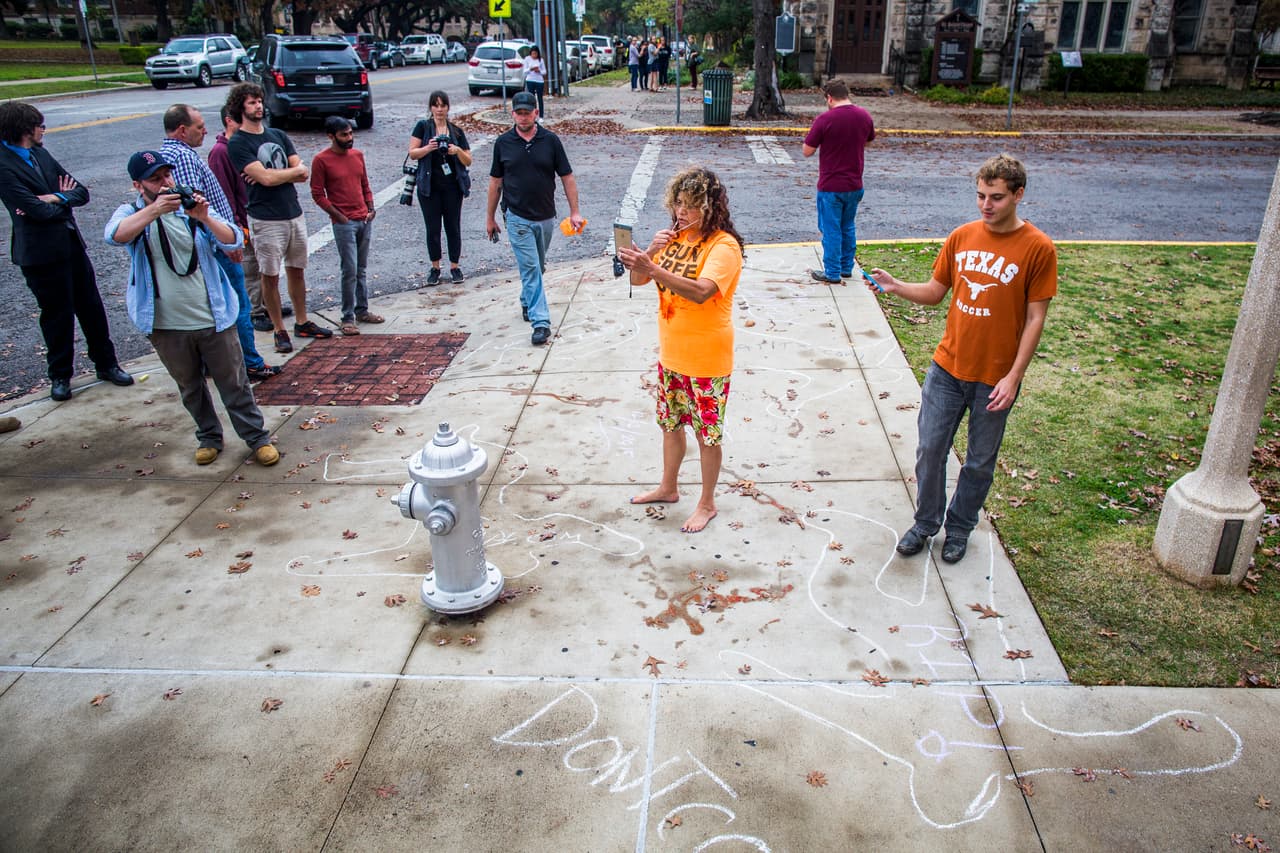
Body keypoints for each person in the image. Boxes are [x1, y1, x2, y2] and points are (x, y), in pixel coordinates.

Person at [866, 154, 1057, 564]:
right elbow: (937, 292)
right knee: (930, 450)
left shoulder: (1038, 248)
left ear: (1018, 195)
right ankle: (925, 523)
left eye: (997, 198)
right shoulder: (962, 236)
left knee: (980, 462)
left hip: (996, 377)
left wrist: (1014, 376)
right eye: (981, 196)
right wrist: (896, 286)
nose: (986, 205)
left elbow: (1035, 318)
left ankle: (960, 528)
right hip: (948, 368)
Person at [105, 150, 278, 468]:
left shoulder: (190, 208)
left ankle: (257, 438)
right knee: (189, 386)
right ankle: (209, 437)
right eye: (155, 179)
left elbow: (233, 241)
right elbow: (114, 236)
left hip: (212, 315)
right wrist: (154, 210)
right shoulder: (131, 212)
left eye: (166, 176)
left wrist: (204, 217)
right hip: (166, 322)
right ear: (137, 185)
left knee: (234, 382)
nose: (165, 183)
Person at [619, 166, 744, 534]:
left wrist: (653, 269)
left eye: (690, 206)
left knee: (707, 435)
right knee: (670, 426)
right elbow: (639, 280)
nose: (681, 212)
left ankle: (707, 503)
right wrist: (651, 254)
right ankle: (668, 487)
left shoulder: (724, 246)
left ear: (709, 207)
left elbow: (703, 291)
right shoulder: (672, 238)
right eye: (677, 204)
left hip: (707, 359)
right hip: (671, 355)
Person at [0, 101, 132, 402]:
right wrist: (57, 202)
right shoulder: (4, 165)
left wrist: (55, 197)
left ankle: (107, 364)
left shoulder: (40, 154)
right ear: (24, 129)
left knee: (92, 308)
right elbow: (36, 211)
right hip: (40, 255)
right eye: (38, 125)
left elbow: (81, 192)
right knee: (57, 316)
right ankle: (60, 375)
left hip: (70, 244)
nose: (43, 129)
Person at [160, 103, 280, 381]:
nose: (204, 131)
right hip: (217, 249)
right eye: (199, 127)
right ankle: (249, 362)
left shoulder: (171, 155)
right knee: (237, 305)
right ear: (181, 130)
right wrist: (225, 245)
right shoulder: (184, 159)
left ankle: (219, 363)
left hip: (215, 246)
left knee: (222, 307)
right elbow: (195, 212)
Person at [224, 82, 332, 354]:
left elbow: (302, 172)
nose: (258, 105)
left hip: (292, 212)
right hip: (265, 217)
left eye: (259, 100)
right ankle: (278, 330)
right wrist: (286, 174)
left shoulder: (278, 135)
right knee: (269, 274)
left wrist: (281, 175)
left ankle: (302, 321)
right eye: (251, 102)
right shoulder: (238, 142)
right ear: (240, 108)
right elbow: (265, 177)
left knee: (297, 269)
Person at [485, 91, 584, 346]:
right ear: (513, 114)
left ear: (536, 113)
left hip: (545, 216)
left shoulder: (550, 141)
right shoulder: (503, 143)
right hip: (516, 216)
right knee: (530, 269)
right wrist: (491, 217)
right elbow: (495, 182)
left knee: (538, 267)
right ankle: (541, 323)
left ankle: (526, 300)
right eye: (519, 112)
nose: (523, 116)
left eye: (528, 112)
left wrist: (574, 211)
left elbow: (567, 177)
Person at [208, 104, 292, 334]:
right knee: (251, 268)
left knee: (266, 265)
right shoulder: (220, 152)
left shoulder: (247, 146)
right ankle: (256, 311)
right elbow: (223, 192)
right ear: (229, 120)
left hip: (260, 213)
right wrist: (235, 222)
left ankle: (267, 305)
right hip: (241, 220)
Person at [311, 116, 383, 336]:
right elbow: (317, 193)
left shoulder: (357, 156)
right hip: (344, 223)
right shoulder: (321, 160)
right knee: (349, 269)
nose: (349, 138)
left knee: (361, 269)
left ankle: (362, 310)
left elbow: (364, 183)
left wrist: (370, 206)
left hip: (363, 218)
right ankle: (347, 317)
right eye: (344, 135)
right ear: (331, 136)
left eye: (351, 133)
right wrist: (337, 215)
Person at [801, 78, 876, 285]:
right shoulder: (864, 116)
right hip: (855, 184)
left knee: (831, 229)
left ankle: (832, 272)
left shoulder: (825, 120)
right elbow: (868, 141)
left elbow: (807, 151)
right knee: (848, 226)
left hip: (831, 185)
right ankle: (845, 268)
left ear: (829, 98)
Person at [409, 91, 473, 286]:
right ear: (430, 107)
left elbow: (468, 159)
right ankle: (435, 267)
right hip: (429, 187)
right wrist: (429, 148)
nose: (439, 109)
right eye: (435, 105)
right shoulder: (423, 127)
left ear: (448, 107)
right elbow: (412, 153)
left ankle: (455, 266)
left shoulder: (456, 131)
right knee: (433, 228)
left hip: (453, 187)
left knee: (453, 227)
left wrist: (456, 150)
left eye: (442, 105)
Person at [522, 46, 547, 117]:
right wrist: (530, 69)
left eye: (535, 54)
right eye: (532, 54)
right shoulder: (527, 59)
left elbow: (544, 72)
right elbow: (525, 71)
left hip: (539, 80)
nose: (534, 55)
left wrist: (539, 71)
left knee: (540, 98)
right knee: (531, 98)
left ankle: (541, 115)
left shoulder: (540, 60)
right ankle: (533, 114)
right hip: (530, 79)